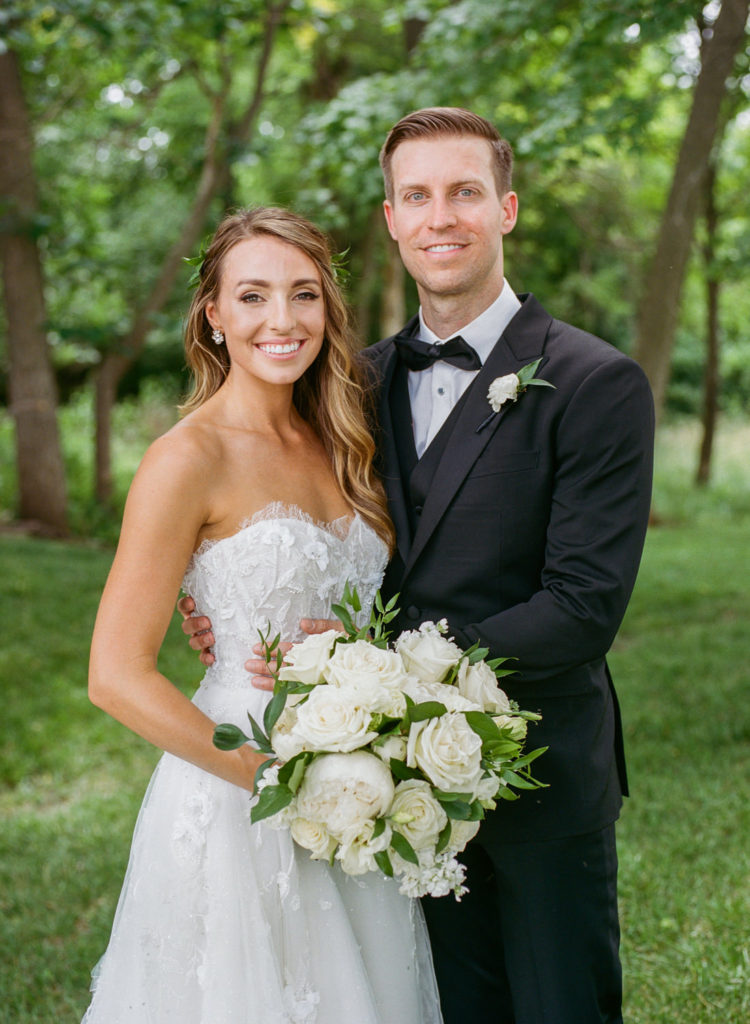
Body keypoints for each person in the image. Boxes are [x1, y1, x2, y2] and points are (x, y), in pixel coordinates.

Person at [182, 109, 655, 1024]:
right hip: (385, 799)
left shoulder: (595, 384)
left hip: (539, 773)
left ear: (506, 209)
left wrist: (378, 672)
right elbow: (280, 512)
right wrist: (209, 596)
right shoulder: (348, 383)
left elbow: (584, 606)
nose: (442, 216)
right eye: (418, 196)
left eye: (465, 193)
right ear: (393, 219)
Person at [82, 206, 443, 1023]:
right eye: (252, 297)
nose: (281, 321)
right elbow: (114, 676)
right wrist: (263, 774)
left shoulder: (345, 439)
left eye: (303, 295)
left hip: (356, 777)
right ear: (213, 314)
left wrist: (362, 674)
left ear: (328, 309)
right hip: (240, 786)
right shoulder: (187, 459)